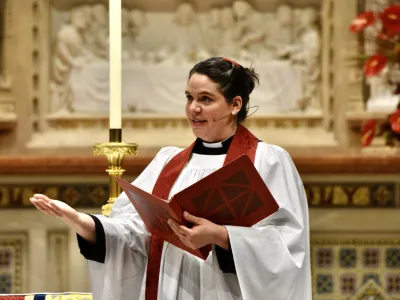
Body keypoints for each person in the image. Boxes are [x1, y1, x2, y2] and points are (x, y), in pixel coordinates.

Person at [30, 57, 312, 300]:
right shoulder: (168, 161)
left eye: (206, 99)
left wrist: (221, 236)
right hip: (171, 286)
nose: (193, 109)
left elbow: (288, 247)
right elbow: (132, 234)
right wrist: (84, 223)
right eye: (189, 98)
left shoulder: (268, 160)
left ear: (235, 104)